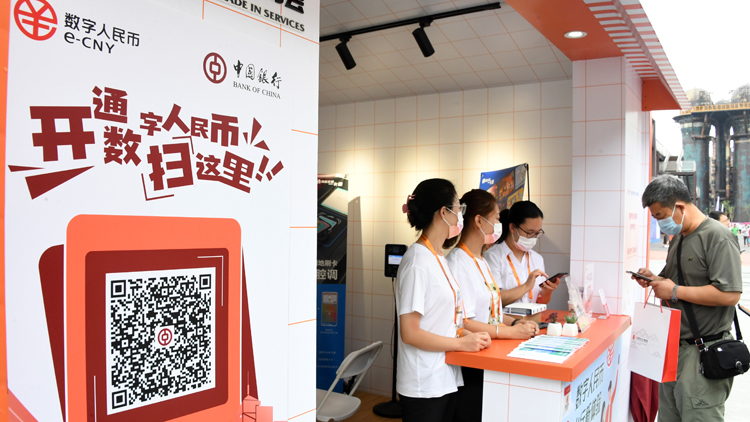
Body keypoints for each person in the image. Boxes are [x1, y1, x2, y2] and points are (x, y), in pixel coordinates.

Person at [631, 175, 742, 422]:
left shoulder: (717, 236)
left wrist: (674, 291)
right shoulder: (679, 238)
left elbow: (730, 294)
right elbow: (676, 280)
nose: (659, 222)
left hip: (703, 351)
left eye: (660, 215)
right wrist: (654, 279)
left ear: (679, 207)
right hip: (673, 350)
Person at [397, 179, 492, 422]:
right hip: (423, 384)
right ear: (444, 212)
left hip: (445, 376)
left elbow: (444, 319)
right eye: (459, 208)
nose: (461, 215)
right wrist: (461, 344)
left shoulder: (438, 256)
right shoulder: (417, 262)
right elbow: (410, 333)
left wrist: (469, 336)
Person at [445, 190, 539, 422]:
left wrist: (517, 324)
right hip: (471, 360)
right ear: (479, 221)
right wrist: (508, 332)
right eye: (497, 218)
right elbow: (464, 321)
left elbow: (492, 310)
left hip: (490, 354)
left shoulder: (481, 260)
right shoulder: (458, 262)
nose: (499, 224)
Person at [484, 201, 563, 306]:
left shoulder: (537, 259)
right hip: (507, 316)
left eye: (537, 233)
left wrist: (548, 291)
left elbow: (541, 301)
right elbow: (493, 300)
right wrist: (526, 286)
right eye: (529, 233)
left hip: (533, 316)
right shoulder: (493, 257)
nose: (533, 238)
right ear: (512, 227)